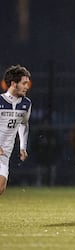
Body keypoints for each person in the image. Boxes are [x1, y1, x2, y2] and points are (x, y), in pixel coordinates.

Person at [0, 65, 32, 195]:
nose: (27, 87)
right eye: (24, 83)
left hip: (5, 153)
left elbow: (23, 124)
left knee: (1, 188)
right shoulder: (0, 101)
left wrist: (22, 147)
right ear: (13, 83)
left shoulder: (26, 104)